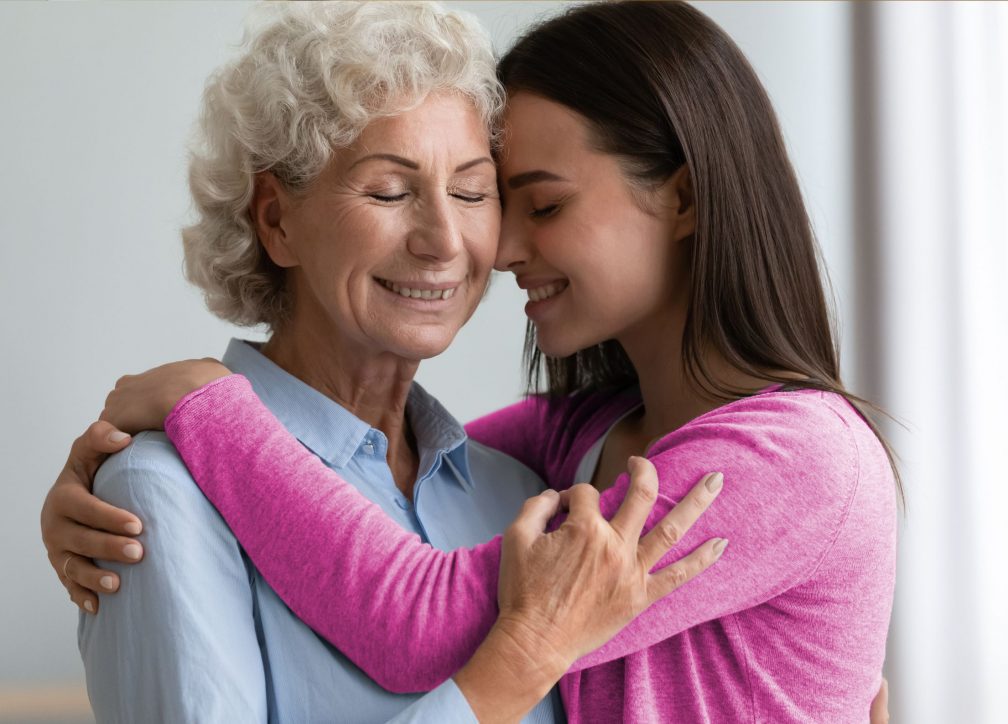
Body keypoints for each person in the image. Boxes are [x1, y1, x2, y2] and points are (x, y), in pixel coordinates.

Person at [43, 1, 897, 722]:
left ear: (681, 198)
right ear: (276, 221)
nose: (489, 247)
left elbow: (423, 613)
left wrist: (205, 406)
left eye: (490, 195)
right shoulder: (555, 451)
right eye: (388, 190)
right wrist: (107, 472)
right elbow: (367, 458)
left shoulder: (791, 458)